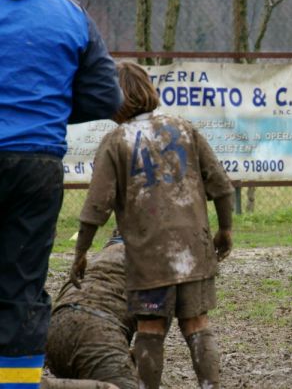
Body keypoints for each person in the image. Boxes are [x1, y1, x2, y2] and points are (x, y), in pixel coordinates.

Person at [70, 62, 234, 389]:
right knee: (197, 324)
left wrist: (80, 253)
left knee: (150, 329)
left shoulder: (116, 141)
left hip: (147, 255)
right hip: (193, 250)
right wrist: (225, 229)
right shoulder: (185, 130)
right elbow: (221, 185)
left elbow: (95, 209)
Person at [0, 0, 122, 386]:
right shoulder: (71, 14)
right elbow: (106, 96)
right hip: (37, 163)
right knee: (22, 285)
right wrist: (47, 109)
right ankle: (16, 383)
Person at [45, 232, 137, 389]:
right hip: (97, 333)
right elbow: (150, 341)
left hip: (53, 327)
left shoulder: (104, 254)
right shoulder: (154, 263)